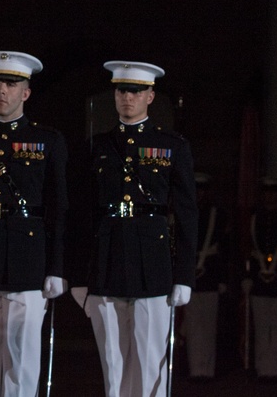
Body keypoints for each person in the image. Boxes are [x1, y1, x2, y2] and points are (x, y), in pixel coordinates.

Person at [69, 61, 197, 397]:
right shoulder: (97, 146)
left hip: (152, 264)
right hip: (107, 262)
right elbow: (81, 215)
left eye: (137, 91)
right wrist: (79, 275)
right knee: (113, 363)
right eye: (122, 90)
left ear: (150, 96)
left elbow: (186, 215)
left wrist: (184, 274)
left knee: (151, 360)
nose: (128, 97)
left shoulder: (171, 146)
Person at [0, 51, 68, 397]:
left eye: (10, 83)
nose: (1, 90)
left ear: (26, 92)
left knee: (21, 360)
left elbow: (58, 207)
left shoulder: (47, 141)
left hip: (28, 257)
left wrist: (56, 267)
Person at [183, 172, 230, 381]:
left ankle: (207, 370)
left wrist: (222, 279)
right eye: (196, 190)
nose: (199, 194)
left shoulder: (217, 214)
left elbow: (224, 249)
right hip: (190, 277)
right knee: (193, 325)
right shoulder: (184, 213)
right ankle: (196, 369)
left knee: (208, 325)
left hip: (210, 274)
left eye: (202, 190)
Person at [242, 177, 277, 382]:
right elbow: (247, 250)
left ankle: (276, 369)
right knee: (261, 327)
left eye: (273, 193)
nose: (270, 197)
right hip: (259, 281)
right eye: (267, 193)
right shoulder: (255, 217)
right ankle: (262, 368)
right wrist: (247, 276)